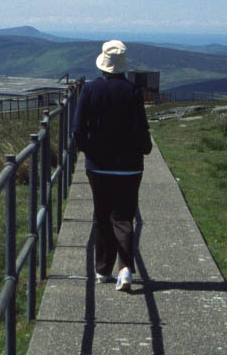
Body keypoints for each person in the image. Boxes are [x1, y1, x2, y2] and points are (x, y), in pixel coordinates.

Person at [71, 40, 152, 292]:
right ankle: (125, 268)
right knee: (124, 216)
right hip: (129, 166)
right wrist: (144, 148)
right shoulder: (133, 91)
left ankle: (102, 269)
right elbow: (141, 129)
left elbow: (77, 129)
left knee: (101, 215)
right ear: (122, 67)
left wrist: (89, 150)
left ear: (103, 65)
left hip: (98, 166)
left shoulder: (89, 90)